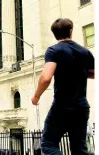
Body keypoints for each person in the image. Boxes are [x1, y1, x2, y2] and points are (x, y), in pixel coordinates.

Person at [31, 18, 95, 155]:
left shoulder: (54, 50)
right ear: (71, 31)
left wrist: (36, 96)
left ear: (54, 34)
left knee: (48, 145)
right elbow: (93, 74)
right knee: (80, 149)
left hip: (62, 106)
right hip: (82, 107)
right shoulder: (85, 52)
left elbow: (46, 77)